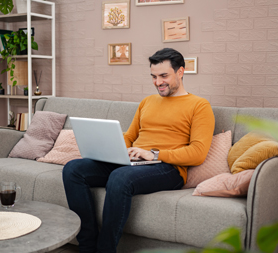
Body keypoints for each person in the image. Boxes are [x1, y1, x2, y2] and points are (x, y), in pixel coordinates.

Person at [62, 48, 215, 253]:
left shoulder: (199, 105)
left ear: (180, 72)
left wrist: (153, 154)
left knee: (120, 177)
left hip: (169, 168)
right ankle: (87, 246)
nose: (158, 82)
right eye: (153, 76)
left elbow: (198, 152)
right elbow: (129, 136)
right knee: (73, 169)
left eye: (163, 76)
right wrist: (111, 148)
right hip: (134, 162)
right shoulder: (147, 102)